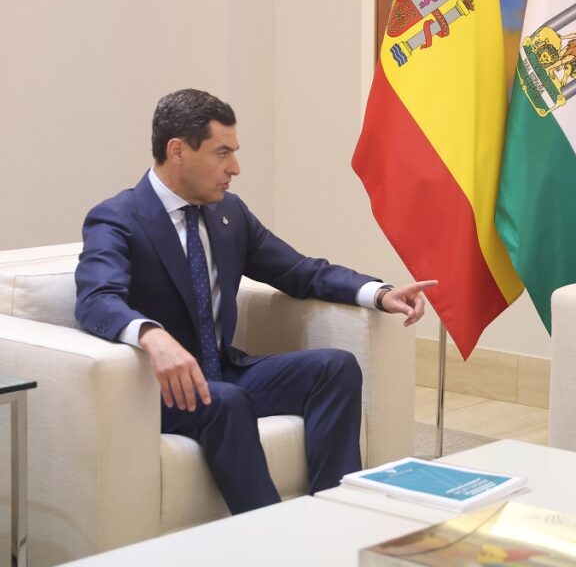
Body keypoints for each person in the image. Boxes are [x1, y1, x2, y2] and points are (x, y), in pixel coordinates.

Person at [75, 88, 436, 514]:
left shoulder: (228, 214)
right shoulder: (117, 218)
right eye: (222, 153)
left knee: (334, 367)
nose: (235, 168)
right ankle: (272, 537)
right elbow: (97, 299)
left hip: (223, 373)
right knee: (225, 401)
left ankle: (336, 515)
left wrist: (378, 293)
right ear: (177, 151)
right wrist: (152, 336)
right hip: (160, 391)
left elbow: (300, 271)